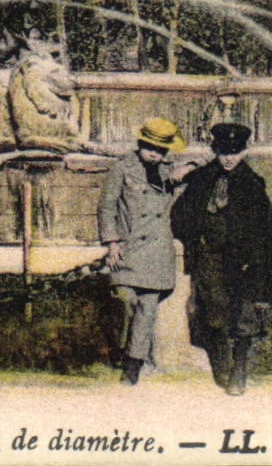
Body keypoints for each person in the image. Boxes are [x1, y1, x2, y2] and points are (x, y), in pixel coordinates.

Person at [170, 123, 272, 395]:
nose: (229, 158)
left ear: (244, 152)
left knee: (243, 313)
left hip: (243, 260)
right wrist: (195, 238)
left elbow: (265, 230)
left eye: (235, 152)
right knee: (215, 311)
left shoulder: (252, 184)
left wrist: (256, 260)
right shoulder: (203, 178)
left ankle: (239, 370)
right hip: (210, 257)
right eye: (224, 151)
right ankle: (221, 363)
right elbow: (180, 214)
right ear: (215, 150)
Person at [98, 117, 190, 385]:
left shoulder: (169, 172)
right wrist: (111, 242)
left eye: (162, 150)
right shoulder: (122, 169)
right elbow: (107, 207)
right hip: (128, 248)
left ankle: (132, 368)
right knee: (126, 299)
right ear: (140, 143)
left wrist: (189, 167)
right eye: (151, 148)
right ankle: (123, 354)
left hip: (158, 252)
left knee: (147, 308)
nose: (155, 154)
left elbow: (205, 170)